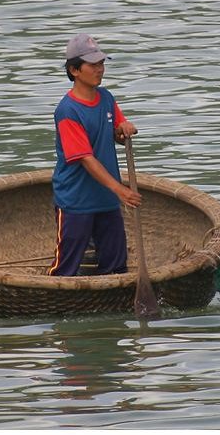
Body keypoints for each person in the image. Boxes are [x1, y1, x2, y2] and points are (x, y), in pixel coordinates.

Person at [48, 33, 141, 277]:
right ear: (75, 70)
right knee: (66, 269)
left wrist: (125, 129)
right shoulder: (68, 111)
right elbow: (85, 158)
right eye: (93, 65)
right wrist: (120, 190)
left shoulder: (106, 98)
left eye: (101, 64)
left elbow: (116, 131)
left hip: (106, 199)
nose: (100, 69)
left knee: (116, 267)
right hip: (76, 201)